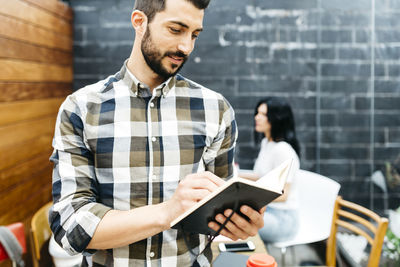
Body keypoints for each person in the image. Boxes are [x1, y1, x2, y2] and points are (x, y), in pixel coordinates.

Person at [48, 0, 265, 266]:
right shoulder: (81, 108)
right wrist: (168, 212)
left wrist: (237, 221)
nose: (186, 47)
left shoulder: (216, 109)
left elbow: (218, 209)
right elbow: (71, 228)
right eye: (176, 29)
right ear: (139, 22)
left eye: (194, 34)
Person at [239, 97, 300, 243]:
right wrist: (234, 176)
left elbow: (284, 194)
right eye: (257, 113)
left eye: (263, 114)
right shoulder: (266, 143)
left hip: (283, 219)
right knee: (235, 218)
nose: (257, 117)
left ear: (277, 119)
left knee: (237, 222)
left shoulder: (283, 150)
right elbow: (261, 176)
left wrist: (249, 198)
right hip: (268, 211)